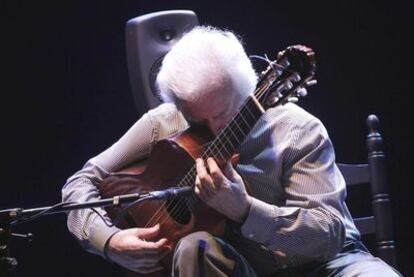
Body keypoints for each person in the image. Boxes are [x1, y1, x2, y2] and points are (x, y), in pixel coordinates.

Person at [62, 26, 401, 276]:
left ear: (246, 88)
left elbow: (327, 237)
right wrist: (109, 241)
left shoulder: (298, 129)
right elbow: (81, 184)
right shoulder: (165, 122)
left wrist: (244, 210)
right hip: (240, 269)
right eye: (196, 117)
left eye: (223, 114)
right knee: (193, 248)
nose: (213, 128)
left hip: (322, 266)